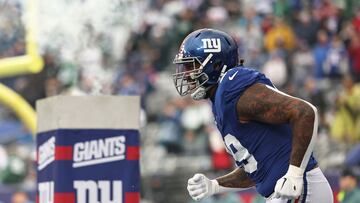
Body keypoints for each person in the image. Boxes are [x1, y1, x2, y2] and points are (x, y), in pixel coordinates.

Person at [172, 28, 333, 202]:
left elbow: (305, 112)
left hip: (299, 188)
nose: (187, 75)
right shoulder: (221, 100)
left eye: (191, 66)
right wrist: (215, 185)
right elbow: (256, 169)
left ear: (215, 64)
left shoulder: (232, 85)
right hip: (286, 191)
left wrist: (294, 174)